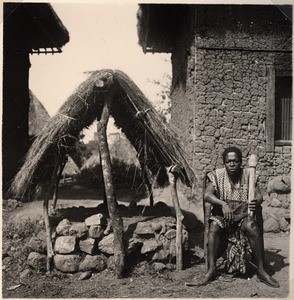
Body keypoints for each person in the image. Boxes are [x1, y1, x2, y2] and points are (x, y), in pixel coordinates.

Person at [199, 146, 279, 288]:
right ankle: (211, 270)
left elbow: (259, 195)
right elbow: (207, 195)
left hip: (242, 217)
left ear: (240, 162)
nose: (232, 164)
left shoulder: (249, 174)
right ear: (224, 163)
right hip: (223, 217)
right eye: (228, 161)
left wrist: (256, 201)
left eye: (235, 161)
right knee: (214, 226)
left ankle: (261, 271)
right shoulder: (217, 175)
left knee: (252, 227)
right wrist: (223, 204)